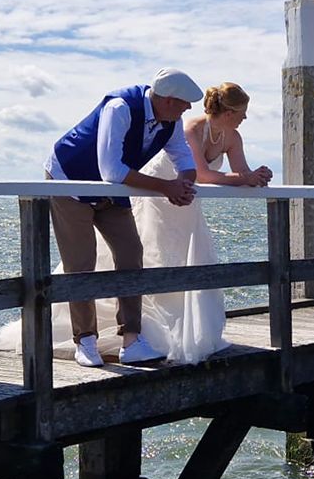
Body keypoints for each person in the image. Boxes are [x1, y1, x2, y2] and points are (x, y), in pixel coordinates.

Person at [44, 67, 202, 367]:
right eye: (184, 102)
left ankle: (131, 340)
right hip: (70, 181)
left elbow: (184, 159)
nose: (188, 108)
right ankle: (85, 341)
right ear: (168, 100)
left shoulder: (172, 121)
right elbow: (111, 171)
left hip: (111, 189)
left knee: (131, 253)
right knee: (81, 262)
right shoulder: (120, 107)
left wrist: (184, 184)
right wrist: (166, 187)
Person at [131, 81, 272, 363]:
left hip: (188, 205)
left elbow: (240, 172)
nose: (245, 118)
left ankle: (186, 331)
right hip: (161, 198)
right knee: (159, 257)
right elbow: (202, 174)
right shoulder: (191, 130)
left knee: (191, 259)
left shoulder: (233, 136)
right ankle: (148, 332)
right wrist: (244, 179)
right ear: (229, 112)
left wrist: (256, 176)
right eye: (242, 112)